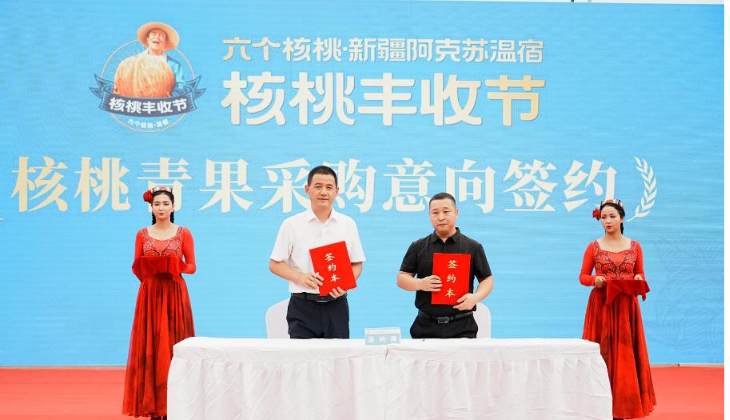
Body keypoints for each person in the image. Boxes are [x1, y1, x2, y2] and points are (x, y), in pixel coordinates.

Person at [123, 187, 196, 420]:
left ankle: (175, 407)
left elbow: (192, 266)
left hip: (175, 293)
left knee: (174, 346)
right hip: (150, 295)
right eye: (157, 204)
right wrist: (151, 270)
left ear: (173, 207)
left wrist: (175, 266)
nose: (161, 208)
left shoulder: (183, 233)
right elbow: (136, 265)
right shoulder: (142, 234)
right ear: (151, 208)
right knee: (152, 347)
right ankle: (154, 407)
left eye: (165, 203)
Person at [580, 198, 656, 419]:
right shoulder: (593, 246)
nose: (608, 221)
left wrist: (639, 278)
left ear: (622, 218)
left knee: (625, 355)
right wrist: (595, 280)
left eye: (612, 216)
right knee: (601, 353)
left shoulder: (635, 246)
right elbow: (583, 276)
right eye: (604, 217)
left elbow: (640, 272)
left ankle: (624, 406)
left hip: (626, 307)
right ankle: (598, 406)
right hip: (602, 305)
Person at [269, 166, 365, 339]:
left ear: (337, 191)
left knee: (338, 356)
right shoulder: (291, 224)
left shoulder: (348, 224)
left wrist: (345, 284)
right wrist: (300, 277)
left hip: (336, 306)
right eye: (318, 186)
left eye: (329, 187)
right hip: (302, 305)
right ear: (307, 189)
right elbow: (275, 264)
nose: (323, 192)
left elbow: (357, 263)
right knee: (301, 356)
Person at [397, 192, 494, 338]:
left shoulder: (472, 246)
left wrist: (476, 297)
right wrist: (420, 284)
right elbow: (402, 278)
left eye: (446, 211)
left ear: (456, 213)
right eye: (435, 212)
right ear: (429, 215)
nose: (441, 217)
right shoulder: (418, 246)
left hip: (462, 326)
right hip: (425, 326)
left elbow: (487, 279)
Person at [114, 22, 185, 98]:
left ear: (165, 42)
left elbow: (180, 86)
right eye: (153, 34)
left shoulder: (174, 65)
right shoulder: (133, 63)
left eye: (161, 35)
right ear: (147, 39)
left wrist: (171, 97)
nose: (157, 37)